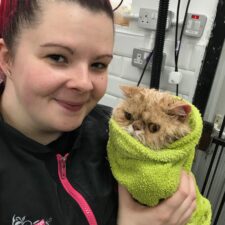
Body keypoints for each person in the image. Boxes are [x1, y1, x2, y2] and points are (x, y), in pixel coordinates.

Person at [0, 0, 196, 225]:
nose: (84, 84)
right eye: (58, 57)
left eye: (99, 65)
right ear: (7, 59)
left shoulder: (116, 137)